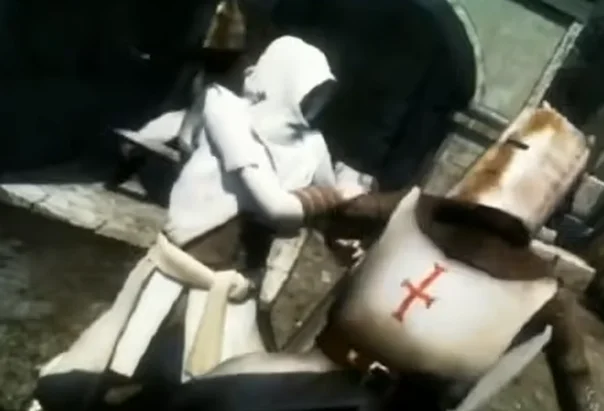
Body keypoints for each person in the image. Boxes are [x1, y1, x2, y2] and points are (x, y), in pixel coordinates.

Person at [162, 103, 601, 411]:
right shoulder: (415, 209)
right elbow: (578, 379)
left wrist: (327, 212)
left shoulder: (544, 293)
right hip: (312, 370)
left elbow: (344, 210)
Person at [34, 35, 365, 411]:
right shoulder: (226, 111)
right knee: (104, 360)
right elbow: (278, 208)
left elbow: (328, 213)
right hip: (172, 274)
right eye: (309, 90)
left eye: (321, 93)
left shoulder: (311, 146)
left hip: (233, 291)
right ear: (283, 81)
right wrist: (335, 195)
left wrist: (343, 236)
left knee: (232, 384)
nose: (313, 102)